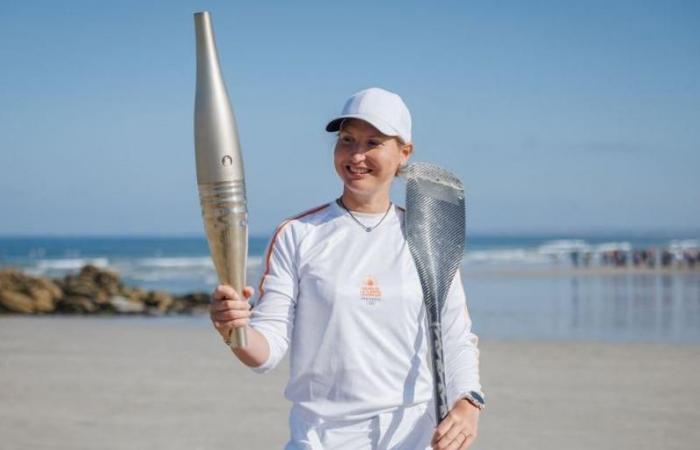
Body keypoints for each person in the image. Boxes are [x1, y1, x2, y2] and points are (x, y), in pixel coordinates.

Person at [209, 87, 484, 449]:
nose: (356, 155)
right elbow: (266, 352)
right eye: (347, 140)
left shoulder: (428, 235)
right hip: (320, 439)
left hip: (414, 439)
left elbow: (454, 335)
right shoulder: (299, 234)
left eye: (373, 142)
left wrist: (468, 403)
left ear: (404, 153)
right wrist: (235, 330)